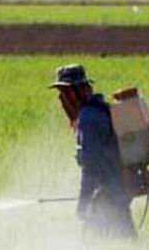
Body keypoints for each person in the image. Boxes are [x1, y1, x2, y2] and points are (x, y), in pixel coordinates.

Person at [49, 64, 136, 238]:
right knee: (125, 242)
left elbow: (91, 165)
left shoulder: (88, 118)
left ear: (79, 91)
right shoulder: (99, 109)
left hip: (107, 195)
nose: (62, 98)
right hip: (117, 191)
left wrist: (83, 201)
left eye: (66, 92)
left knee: (97, 245)